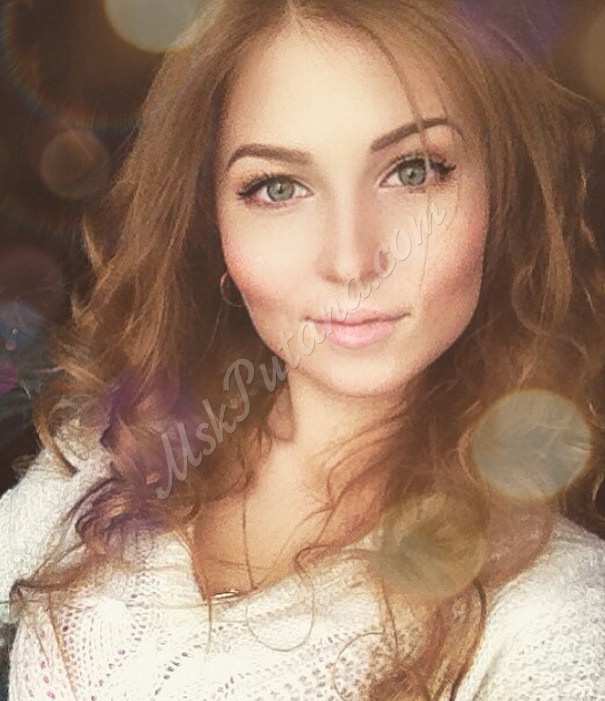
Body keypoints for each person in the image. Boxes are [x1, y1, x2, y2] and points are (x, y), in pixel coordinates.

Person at [1, 0, 605, 698]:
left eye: (413, 171)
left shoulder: (555, 617)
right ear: (211, 224)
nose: (351, 260)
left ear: (501, 196)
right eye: (278, 187)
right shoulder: (107, 448)